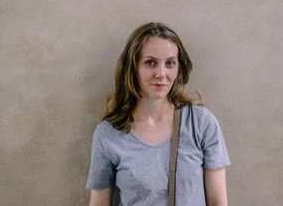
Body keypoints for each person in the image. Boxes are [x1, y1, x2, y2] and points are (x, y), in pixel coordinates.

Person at [86, 22, 231, 206]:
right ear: (133, 68)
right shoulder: (108, 133)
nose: (161, 74)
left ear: (178, 68)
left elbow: (218, 202)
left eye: (170, 63)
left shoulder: (201, 123)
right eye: (150, 63)